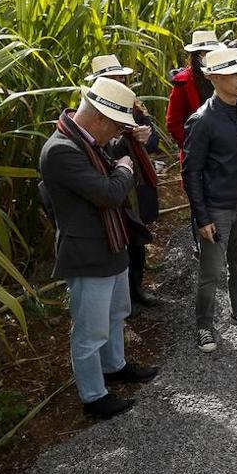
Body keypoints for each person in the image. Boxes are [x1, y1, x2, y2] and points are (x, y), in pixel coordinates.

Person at [39, 74, 160, 418]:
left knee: (116, 313)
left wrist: (123, 156)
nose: (118, 133)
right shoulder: (61, 150)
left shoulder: (87, 141)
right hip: (88, 252)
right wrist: (124, 169)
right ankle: (93, 395)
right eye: (117, 126)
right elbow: (108, 193)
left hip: (112, 242)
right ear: (100, 119)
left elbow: (107, 173)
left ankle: (114, 365)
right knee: (89, 331)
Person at [181, 47, 237, 353]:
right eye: (234, 74)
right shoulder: (202, 120)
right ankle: (204, 325)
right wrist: (202, 217)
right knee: (210, 273)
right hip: (216, 209)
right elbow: (190, 172)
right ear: (215, 78)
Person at [92, 55, 165, 309]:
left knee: (137, 237)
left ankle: (136, 289)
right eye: (113, 79)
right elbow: (100, 147)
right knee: (115, 240)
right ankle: (117, 297)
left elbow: (154, 143)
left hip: (136, 184)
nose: (119, 82)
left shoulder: (136, 109)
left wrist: (145, 137)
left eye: (121, 78)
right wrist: (124, 140)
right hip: (110, 185)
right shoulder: (93, 113)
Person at [168, 30, 223, 151]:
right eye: (206, 52)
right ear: (197, 55)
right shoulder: (183, 82)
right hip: (196, 147)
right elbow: (174, 122)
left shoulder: (223, 76)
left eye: (213, 52)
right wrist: (190, 145)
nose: (210, 55)